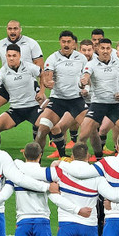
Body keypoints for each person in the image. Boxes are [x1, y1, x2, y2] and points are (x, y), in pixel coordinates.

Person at [36, 31, 89, 159]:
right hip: (58, 99)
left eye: (69, 42)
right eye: (63, 42)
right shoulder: (53, 58)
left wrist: (85, 87)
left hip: (76, 99)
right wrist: (48, 83)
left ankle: (85, 158)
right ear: (60, 42)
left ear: (74, 44)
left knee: (89, 128)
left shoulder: (81, 58)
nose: (66, 44)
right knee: (42, 129)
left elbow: (88, 76)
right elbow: (47, 77)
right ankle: (36, 159)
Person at [79, 38, 119, 161]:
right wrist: (83, 82)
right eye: (103, 48)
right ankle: (84, 161)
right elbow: (86, 76)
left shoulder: (117, 63)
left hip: (115, 104)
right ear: (98, 49)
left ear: (111, 49)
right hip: (98, 104)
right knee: (83, 135)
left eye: (108, 48)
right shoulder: (91, 64)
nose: (105, 51)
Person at [0, 20, 45, 114]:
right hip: (8, 82)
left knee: (46, 112)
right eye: (10, 29)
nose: (12, 31)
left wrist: (41, 90)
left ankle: (38, 128)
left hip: (27, 84)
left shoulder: (31, 43)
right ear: (7, 30)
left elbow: (39, 66)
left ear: (20, 29)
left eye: (15, 29)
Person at [0, 44, 46, 148]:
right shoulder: (3, 71)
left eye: (14, 55)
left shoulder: (29, 66)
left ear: (19, 55)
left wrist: (41, 91)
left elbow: (42, 74)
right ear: (6, 56)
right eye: (9, 56)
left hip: (32, 107)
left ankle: (54, 155)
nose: (11, 58)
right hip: (15, 109)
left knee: (45, 127)